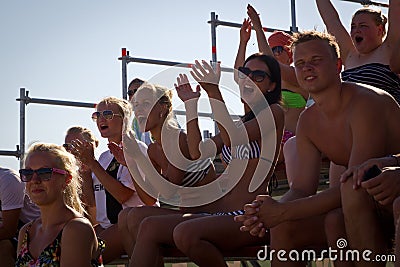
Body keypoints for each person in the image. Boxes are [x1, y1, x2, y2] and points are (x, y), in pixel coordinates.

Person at [235, 30, 400, 267]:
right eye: (300, 63)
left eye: (316, 60)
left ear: (338, 64)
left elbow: (356, 184)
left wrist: (283, 211)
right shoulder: (308, 121)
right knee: (288, 226)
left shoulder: (366, 102)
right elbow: (302, 188)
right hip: (362, 204)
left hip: (388, 193)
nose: (307, 68)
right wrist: (266, 212)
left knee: (342, 202)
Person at [122, 53, 284, 266]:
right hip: (218, 212)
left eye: (259, 75)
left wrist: (214, 91)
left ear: (272, 86)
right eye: (244, 72)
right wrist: (191, 105)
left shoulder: (274, 112)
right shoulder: (237, 122)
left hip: (249, 215)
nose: (249, 78)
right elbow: (198, 152)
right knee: (140, 221)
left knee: (180, 232)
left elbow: (233, 140)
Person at [117, 82, 218, 258]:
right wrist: (131, 163)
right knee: (125, 216)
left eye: (146, 104)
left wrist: (139, 158)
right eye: (137, 105)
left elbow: (169, 192)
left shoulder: (178, 138)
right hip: (186, 215)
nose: (139, 110)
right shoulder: (154, 149)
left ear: (163, 108)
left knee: (137, 219)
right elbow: (149, 199)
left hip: (209, 215)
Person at [70, 96, 155, 263]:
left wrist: (93, 165)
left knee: (84, 260)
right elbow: (91, 201)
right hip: (107, 225)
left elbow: (123, 195)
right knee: (65, 250)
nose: (101, 119)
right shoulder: (103, 157)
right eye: (97, 115)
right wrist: (86, 170)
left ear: (124, 119)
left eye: (107, 114)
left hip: (131, 224)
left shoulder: (136, 148)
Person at [15, 142, 103, 266]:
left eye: (45, 172)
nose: (34, 180)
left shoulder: (76, 229)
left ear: (67, 179)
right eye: (28, 173)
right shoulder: (26, 232)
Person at [315, 0, 400, 103]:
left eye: (363, 26)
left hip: (383, 116)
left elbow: (396, 8)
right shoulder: (349, 55)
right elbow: (331, 20)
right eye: (353, 27)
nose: (356, 30)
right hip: (350, 117)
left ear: (380, 30)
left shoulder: (389, 49)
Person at [0, 167, 40, 267]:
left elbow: (8, 231)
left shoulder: (7, 179)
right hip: (17, 233)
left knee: (3, 246)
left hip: (35, 234)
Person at [64, 126, 99, 225]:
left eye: (76, 144)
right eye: (66, 146)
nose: (71, 150)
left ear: (92, 145)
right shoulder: (70, 176)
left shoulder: (105, 169)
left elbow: (94, 213)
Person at [128, 78, 153, 145]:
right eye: (130, 93)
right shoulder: (135, 122)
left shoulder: (158, 113)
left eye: (136, 91)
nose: (133, 95)